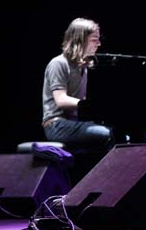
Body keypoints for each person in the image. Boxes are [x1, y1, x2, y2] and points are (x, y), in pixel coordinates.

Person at [41, 17, 114, 150]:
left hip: (73, 123)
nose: (99, 44)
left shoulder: (83, 67)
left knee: (115, 132)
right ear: (79, 39)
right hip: (56, 125)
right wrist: (89, 106)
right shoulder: (58, 63)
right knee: (107, 134)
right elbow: (61, 100)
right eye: (94, 39)